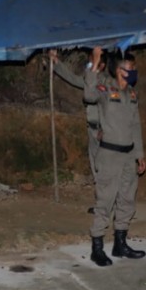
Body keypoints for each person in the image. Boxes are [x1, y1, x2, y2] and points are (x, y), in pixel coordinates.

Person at [83, 50, 146, 267]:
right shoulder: (104, 88)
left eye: (134, 68)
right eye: (129, 68)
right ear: (118, 70)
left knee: (127, 199)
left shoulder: (132, 94)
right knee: (105, 200)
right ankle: (97, 247)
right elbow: (88, 96)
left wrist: (140, 155)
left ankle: (120, 243)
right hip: (109, 154)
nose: (133, 72)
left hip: (129, 155)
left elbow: (135, 125)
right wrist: (96, 63)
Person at [52, 47, 106, 189]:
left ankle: (107, 200)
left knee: (104, 165)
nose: (89, 68)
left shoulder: (107, 83)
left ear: (102, 65)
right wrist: (56, 62)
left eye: (92, 64)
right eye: (88, 64)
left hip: (104, 130)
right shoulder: (90, 82)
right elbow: (72, 78)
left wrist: (104, 128)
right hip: (92, 128)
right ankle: (101, 200)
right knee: (95, 163)